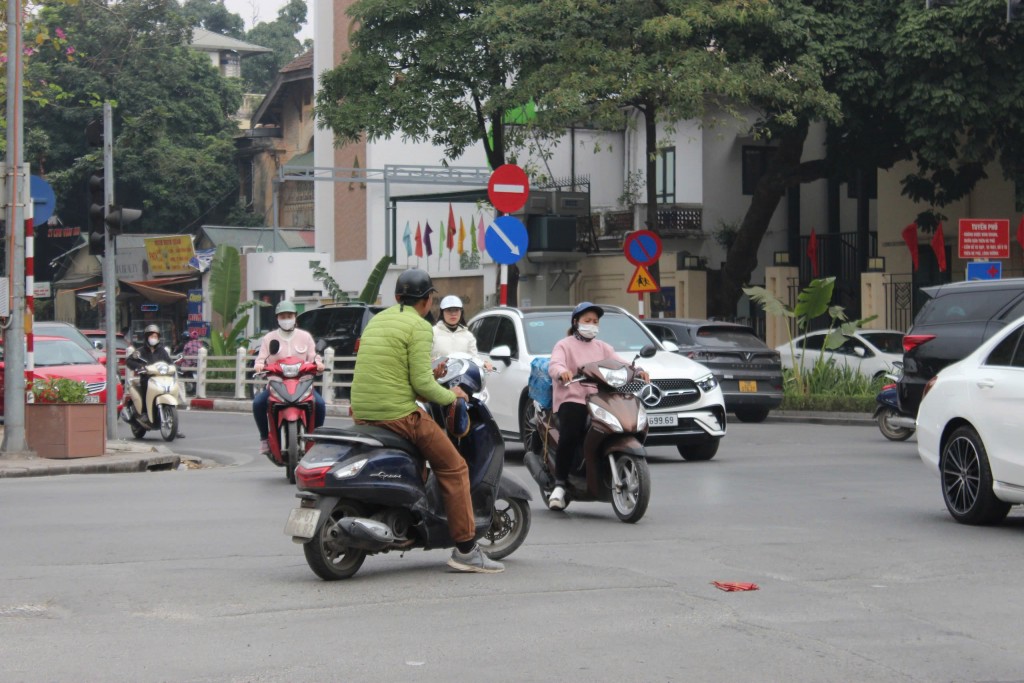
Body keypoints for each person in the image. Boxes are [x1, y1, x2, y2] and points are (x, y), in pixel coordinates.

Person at [350, 269, 504, 574]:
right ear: (427, 301)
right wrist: (454, 397)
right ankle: (466, 550)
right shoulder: (421, 328)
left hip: (362, 410)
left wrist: (433, 375)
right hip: (397, 414)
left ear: (396, 297)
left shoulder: (377, 320)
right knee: (454, 466)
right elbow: (422, 387)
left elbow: (394, 371)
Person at [546, 302, 649, 511]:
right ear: (576, 322)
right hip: (573, 398)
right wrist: (562, 372)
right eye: (587, 321)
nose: (591, 325)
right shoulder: (564, 345)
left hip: (600, 398)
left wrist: (637, 370)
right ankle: (560, 483)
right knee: (571, 433)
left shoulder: (603, 347)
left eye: (595, 322)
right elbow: (555, 364)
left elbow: (621, 363)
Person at [252, 300, 326, 455]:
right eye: (283, 316)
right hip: (277, 384)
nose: (286, 319)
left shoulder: (305, 337)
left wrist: (318, 364)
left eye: (289, 315)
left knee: (319, 404)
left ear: (295, 317)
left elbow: (313, 356)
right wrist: (259, 365)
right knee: (258, 403)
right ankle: (264, 438)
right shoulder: (269, 338)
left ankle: (316, 437)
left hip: (302, 384)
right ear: (277, 318)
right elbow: (261, 358)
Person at [124, 324, 185, 437]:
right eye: (152, 336)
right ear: (147, 337)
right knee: (145, 389)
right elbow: (130, 361)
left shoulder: (162, 351)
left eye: (156, 336)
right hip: (147, 378)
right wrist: (139, 367)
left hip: (161, 378)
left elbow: (169, 362)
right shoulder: (141, 351)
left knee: (170, 391)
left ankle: (173, 425)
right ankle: (144, 414)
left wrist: (175, 367)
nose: (154, 338)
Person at [431, 295, 493, 372]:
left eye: (456, 310)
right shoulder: (432, 332)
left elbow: (474, 358)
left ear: (461, 312)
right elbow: (423, 358)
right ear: (442, 312)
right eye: (449, 310)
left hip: (461, 379)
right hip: (437, 379)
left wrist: (483, 363)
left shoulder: (468, 335)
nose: (453, 314)